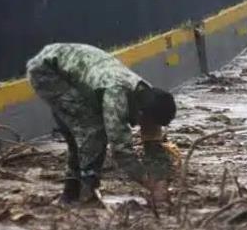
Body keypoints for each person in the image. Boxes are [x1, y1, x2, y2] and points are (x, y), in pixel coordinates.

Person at [27, 43, 178, 204]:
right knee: (92, 130)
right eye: (148, 124)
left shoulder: (148, 96)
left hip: (72, 67)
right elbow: (121, 151)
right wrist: (149, 183)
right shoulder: (116, 96)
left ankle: (71, 193)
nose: (147, 129)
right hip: (48, 71)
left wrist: (161, 177)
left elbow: (153, 143)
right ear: (142, 114)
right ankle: (86, 192)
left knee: (82, 133)